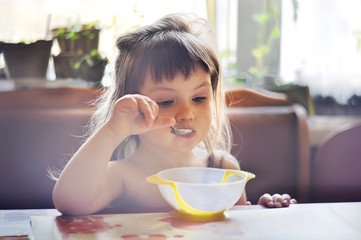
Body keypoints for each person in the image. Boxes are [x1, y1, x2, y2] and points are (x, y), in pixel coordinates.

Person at [53, 13, 296, 216]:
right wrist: (113, 131)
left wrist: (262, 213)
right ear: (133, 107)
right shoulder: (123, 175)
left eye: (199, 98)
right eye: (166, 101)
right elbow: (69, 203)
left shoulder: (221, 168)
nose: (187, 113)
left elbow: (235, 228)